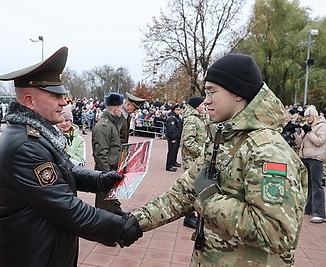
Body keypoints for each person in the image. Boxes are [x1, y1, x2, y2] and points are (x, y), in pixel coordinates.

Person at [129, 54, 308, 266]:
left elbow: (276, 232)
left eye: (212, 91)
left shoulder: (267, 150)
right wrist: (133, 222)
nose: (206, 100)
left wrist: (210, 199)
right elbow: (183, 194)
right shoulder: (224, 139)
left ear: (238, 93)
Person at [0, 47, 142, 267]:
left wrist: (100, 180)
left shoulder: (36, 133)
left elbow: (65, 170)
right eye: (55, 96)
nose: (64, 102)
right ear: (30, 101)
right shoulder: (25, 146)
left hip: (42, 250)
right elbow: (67, 208)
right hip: (32, 256)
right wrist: (119, 227)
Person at [92, 93, 124, 215]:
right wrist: (106, 175)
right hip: (106, 171)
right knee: (104, 208)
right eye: (120, 108)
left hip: (111, 170)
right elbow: (100, 154)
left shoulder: (111, 124)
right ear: (115, 109)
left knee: (111, 202)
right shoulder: (104, 126)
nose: (121, 111)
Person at [295, 105, 326, 223]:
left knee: (316, 185)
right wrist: (296, 133)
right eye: (306, 117)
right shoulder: (309, 128)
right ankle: (309, 208)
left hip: (316, 158)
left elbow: (320, 141)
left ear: (314, 116)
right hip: (305, 157)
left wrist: (309, 132)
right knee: (308, 185)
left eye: (309, 116)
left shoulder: (322, 126)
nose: (307, 119)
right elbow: (299, 143)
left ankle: (320, 212)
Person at [181, 96, 206, 229]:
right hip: (191, 161)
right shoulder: (191, 120)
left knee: (197, 188)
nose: (204, 107)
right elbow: (188, 141)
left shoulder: (199, 118)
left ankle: (193, 215)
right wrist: (203, 151)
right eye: (202, 105)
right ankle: (189, 217)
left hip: (197, 160)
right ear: (196, 107)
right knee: (191, 188)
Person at [165, 104, 183, 172]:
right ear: (175, 110)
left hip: (177, 137)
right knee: (171, 151)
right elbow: (171, 129)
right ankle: (169, 166)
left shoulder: (177, 117)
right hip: (173, 137)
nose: (179, 111)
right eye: (178, 110)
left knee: (175, 151)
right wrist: (173, 138)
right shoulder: (172, 118)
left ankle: (173, 162)